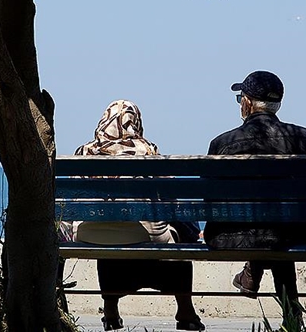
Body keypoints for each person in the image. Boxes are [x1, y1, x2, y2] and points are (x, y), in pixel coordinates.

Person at [67, 100, 205, 332]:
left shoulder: (84, 152)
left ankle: (110, 311)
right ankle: (185, 311)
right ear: (136, 122)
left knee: (108, 231)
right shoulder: (147, 151)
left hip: (90, 236)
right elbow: (172, 200)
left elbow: (71, 201)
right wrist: (191, 232)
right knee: (174, 236)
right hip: (146, 236)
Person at [202, 71, 306, 326]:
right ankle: (289, 315)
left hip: (229, 237)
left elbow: (208, 198)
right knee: (277, 229)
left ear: (247, 102)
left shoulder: (222, 143)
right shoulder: (304, 138)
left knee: (269, 227)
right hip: (292, 235)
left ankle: (253, 275)